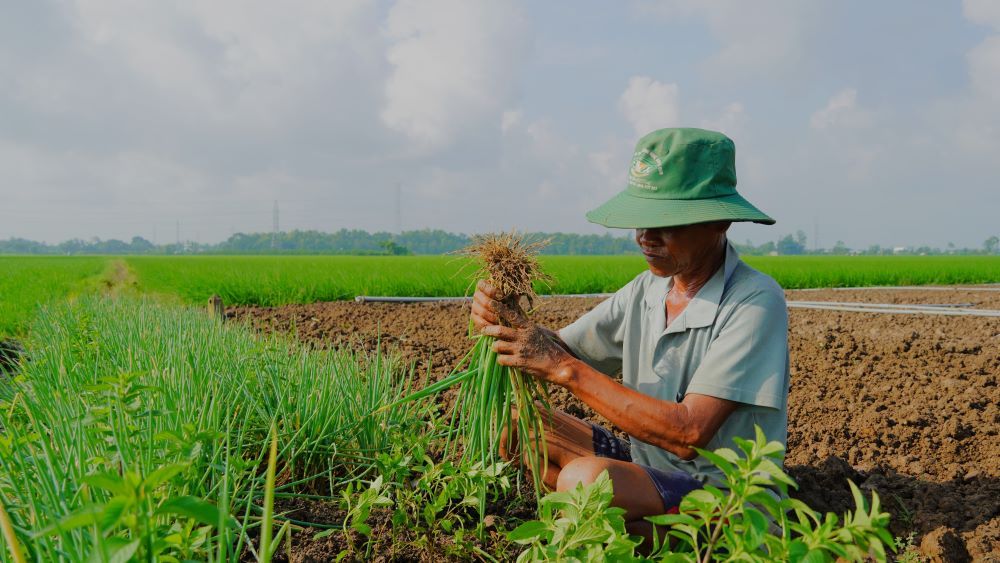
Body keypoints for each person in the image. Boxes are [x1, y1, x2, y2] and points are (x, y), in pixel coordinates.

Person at [471, 128, 790, 541]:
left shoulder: (754, 301)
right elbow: (561, 350)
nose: (645, 237)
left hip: (726, 493)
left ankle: (683, 537)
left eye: (666, 222)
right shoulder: (648, 290)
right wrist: (505, 320)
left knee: (583, 482)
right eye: (642, 221)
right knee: (515, 429)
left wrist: (564, 370)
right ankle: (635, 531)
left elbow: (688, 434)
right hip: (648, 468)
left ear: (719, 221)